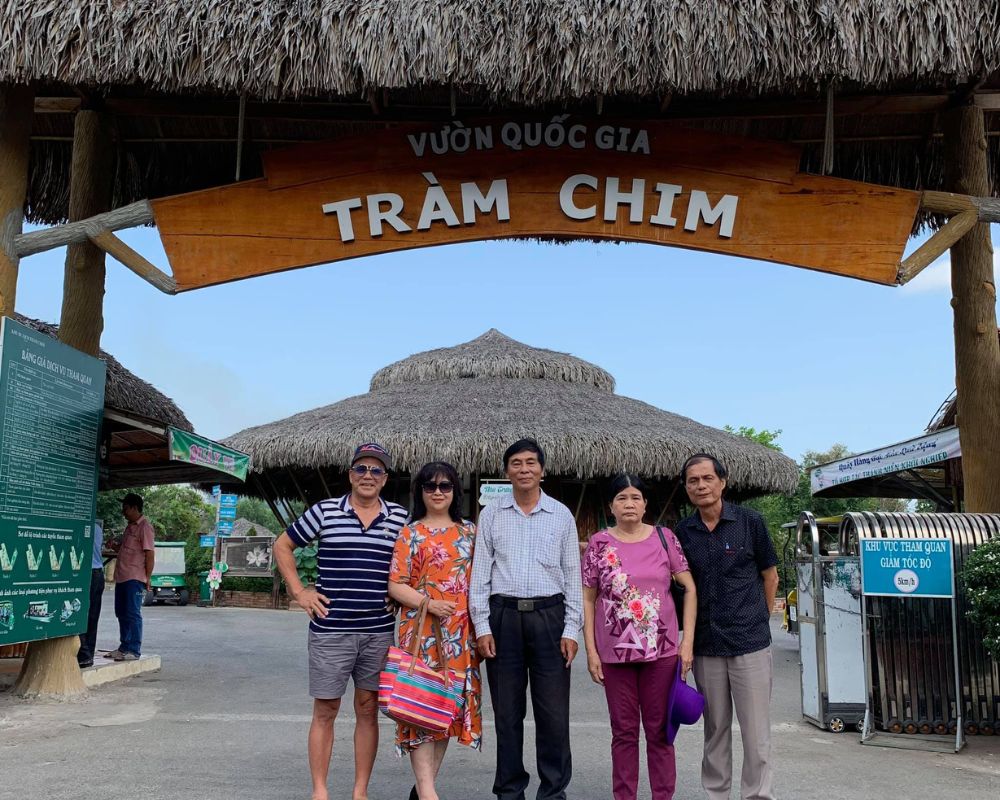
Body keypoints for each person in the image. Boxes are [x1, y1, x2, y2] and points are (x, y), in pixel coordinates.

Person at [273, 442, 407, 800]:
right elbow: (282, 545)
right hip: (330, 630)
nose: (368, 476)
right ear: (350, 475)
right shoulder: (325, 512)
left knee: (367, 709)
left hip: (378, 631)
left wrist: (401, 595)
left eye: (376, 470)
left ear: (385, 479)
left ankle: (359, 791)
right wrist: (300, 592)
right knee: (326, 708)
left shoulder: (399, 518)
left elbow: (413, 564)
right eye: (361, 469)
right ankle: (320, 790)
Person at [470, 438, 583, 800]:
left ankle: (553, 792)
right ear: (506, 472)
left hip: (550, 618)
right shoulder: (491, 514)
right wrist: (482, 625)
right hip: (503, 620)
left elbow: (572, 575)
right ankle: (509, 791)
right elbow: (480, 575)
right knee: (507, 714)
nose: (524, 469)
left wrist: (572, 629)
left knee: (553, 715)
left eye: (531, 462)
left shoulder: (561, 514)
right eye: (516, 463)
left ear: (542, 470)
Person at [582, 474, 697, 800]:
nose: (629, 504)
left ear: (645, 504)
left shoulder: (664, 538)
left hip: (661, 653)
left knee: (660, 732)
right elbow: (588, 598)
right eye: (621, 498)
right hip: (614, 654)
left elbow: (688, 587)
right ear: (610, 506)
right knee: (623, 732)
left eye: (635, 497)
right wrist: (591, 651)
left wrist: (685, 642)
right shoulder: (598, 543)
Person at [674, 454, 780, 800]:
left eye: (707, 478)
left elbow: (770, 575)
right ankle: (716, 794)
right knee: (715, 729)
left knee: (755, 732)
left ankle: (757, 796)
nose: (701, 485)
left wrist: (759, 618)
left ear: (722, 481)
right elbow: (680, 587)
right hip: (707, 644)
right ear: (687, 487)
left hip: (749, 641)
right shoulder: (682, 533)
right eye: (693, 481)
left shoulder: (750, 522)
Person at [388, 461, 482, 800]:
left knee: (442, 707)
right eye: (430, 486)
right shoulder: (410, 533)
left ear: (455, 490)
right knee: (419, 703)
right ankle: (428, 792)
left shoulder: (471, 532)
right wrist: (428, 603)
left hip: (459, 635)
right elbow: (396, 584)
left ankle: (423, 790)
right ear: (421, 492)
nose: (438, 492)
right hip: (422, 632)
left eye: (445, 486)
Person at [106, 494, 154, 662]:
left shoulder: (145, 527)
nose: (123, 512)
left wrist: (148, 577)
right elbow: (126, 549)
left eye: (125, 508)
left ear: (134, 508)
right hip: (122, 576)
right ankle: (124, 646)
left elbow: (149, 553)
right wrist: (114, 546)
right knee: (121, 612)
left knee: (132, 613)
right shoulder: (129, 527)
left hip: (135, 578)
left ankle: (134, 649)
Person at [77, 518, 105, 668]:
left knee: (78, 613)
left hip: (85, 573)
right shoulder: (97, 528)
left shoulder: (80, 527)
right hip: (98, 573)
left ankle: (84, 654)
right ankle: (88, 655)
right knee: (93, 616)